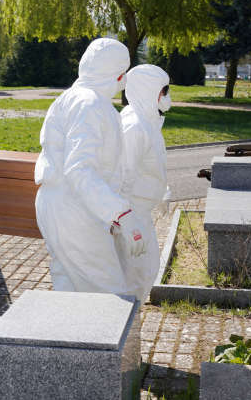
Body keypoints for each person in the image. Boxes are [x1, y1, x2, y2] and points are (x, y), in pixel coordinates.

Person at [35, 37, 150, 297]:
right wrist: (121, 213)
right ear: (117, 75)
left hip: (61, 205)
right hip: (74, 210)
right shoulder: (90, 104)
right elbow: (80, 169)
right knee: (109, 294)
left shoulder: (71, 98)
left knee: (69, 288)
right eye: (123, 73)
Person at [119, 64, 171, 302]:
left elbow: (148, 166)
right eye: (164, 90)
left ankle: (130, 318)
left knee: (144, 271)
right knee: (136, 274)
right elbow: (122, 176)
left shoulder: (147, 121)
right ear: (149, 90)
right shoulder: (135, 126)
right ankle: (126, 322)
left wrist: (161, 191)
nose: (167, 96)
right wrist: (124, 221)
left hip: (139, 211)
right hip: (131, 214)